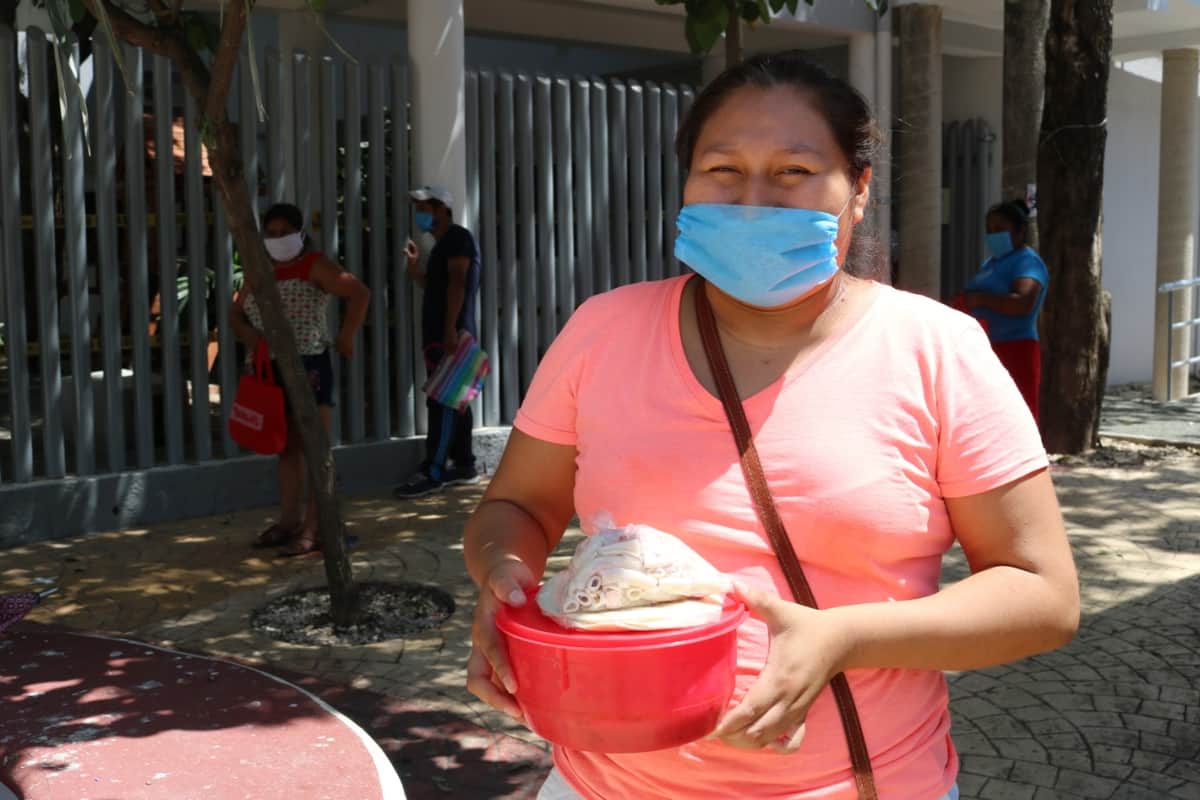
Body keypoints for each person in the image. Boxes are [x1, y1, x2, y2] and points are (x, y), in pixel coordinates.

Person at [463, 52, 1079, 800]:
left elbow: (1041, 595)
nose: (753, 200)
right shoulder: (603, 330)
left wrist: (846, 638)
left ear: (858, 189)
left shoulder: (936, 348)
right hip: (598, 784)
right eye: (722, 169)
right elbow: (519, 505)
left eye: (793, 171)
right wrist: (505, 578)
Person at [230, 203, 370, 557]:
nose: (277, 239)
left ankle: (315, 527)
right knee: (286, 448)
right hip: (269, 370)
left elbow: (359, 293)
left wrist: (346, 338)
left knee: (315, 449)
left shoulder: (315, 266)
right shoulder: (259, 270)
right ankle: (289, 521)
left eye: (285, 232)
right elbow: (236, 313)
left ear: (301, 234)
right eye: (271, 233)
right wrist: (251, 337)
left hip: (309, 366)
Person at [393, 185, 483, 498]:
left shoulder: (457, 239)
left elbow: (458, 283)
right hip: (446, 334)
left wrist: (449, 330)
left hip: (449, 336)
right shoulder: (444, 245)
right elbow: (437, 286)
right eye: (418, 209)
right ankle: (465, 464)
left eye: (425, 208)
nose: (420, 214)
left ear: (443, 210)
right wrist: (415, 269)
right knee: (455, 399)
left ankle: (434, 471)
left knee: (442, 401)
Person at [962, 200, 1049, 423]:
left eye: (1000, 229)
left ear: (1020, 231)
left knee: (1017, 416)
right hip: (986, 349)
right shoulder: (991, 263)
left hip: (1016, 348)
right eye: (989, 230)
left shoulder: (1028, 262)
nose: (993, 235)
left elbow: (1022, 303)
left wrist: (981, 299)